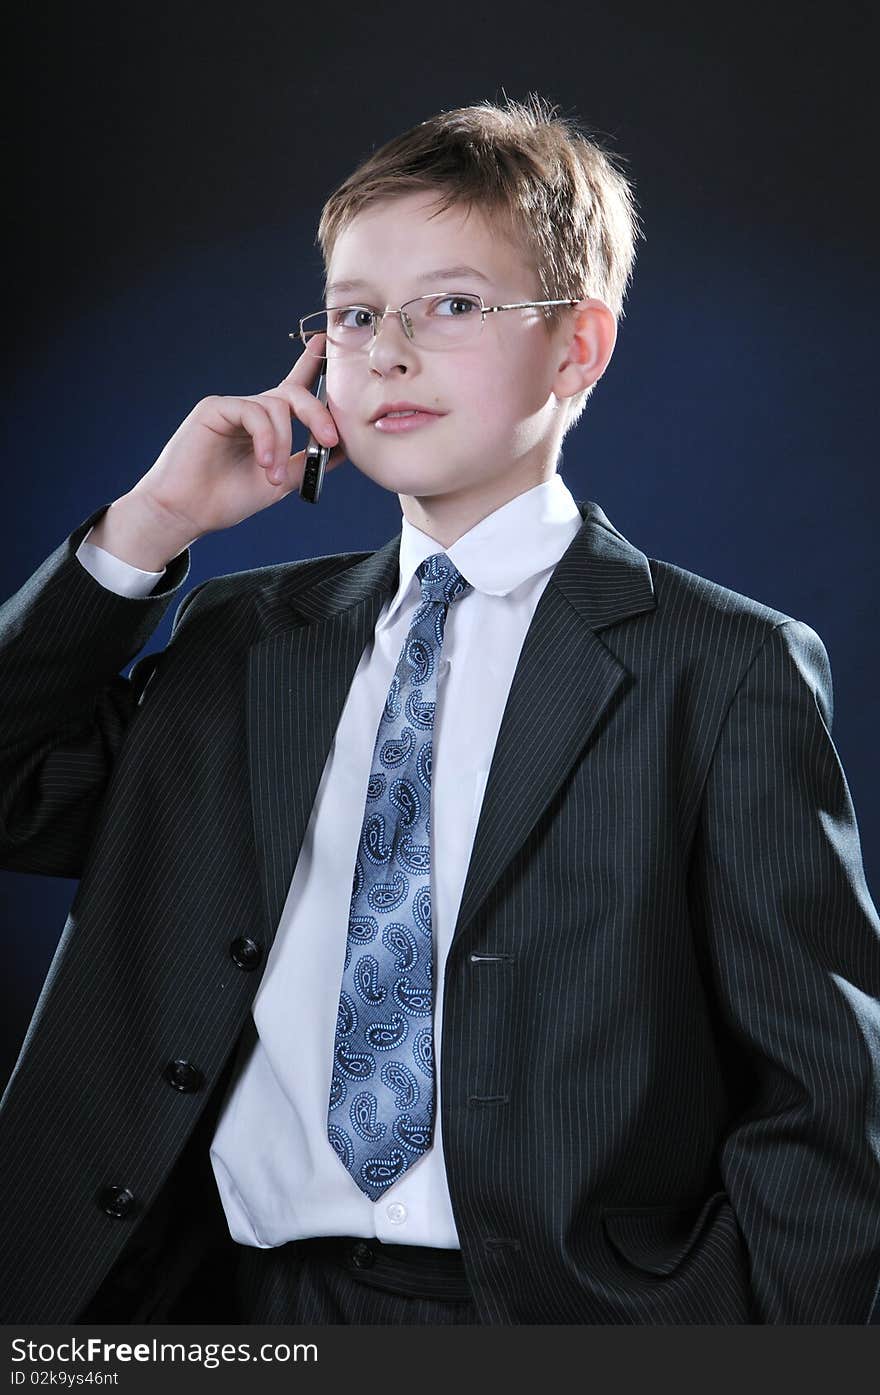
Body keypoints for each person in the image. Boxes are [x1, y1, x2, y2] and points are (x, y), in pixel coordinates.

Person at [1, 92, 878, 1328]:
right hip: (226, 1304)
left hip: (560, 1317)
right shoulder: (240, 641)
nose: (390, 352)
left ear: (578, 346)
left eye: (453, 306)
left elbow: (823, 1090)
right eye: (356, 315)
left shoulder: (720, 666)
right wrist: (149, 530)